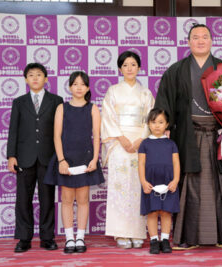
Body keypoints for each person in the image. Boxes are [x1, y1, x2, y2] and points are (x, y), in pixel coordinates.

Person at [154, 24, 222, 249]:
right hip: (188, 134)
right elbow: (164, 102)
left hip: (221, 133)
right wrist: (165, 128)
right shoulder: (176, 70)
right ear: (188, 42)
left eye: (205, 37)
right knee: (188, 182)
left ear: (212, 41)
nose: (200, 41)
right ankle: (187, 237)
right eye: (195, 37)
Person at [43, 71, 105, 253]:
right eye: (75, 84)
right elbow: (56, 136)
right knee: (67, 200)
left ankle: (80, 238)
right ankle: (69, 238)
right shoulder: (62, 108)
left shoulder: (92, 108)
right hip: (67, 159)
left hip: (86, 160)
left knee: (83, 200)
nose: (79, 87)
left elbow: (96, 137)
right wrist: (61, 160)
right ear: (70, 87)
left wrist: (94, 159)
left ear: (87, 87)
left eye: (82, 84)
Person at [7, 63, 63, 253]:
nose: (35, 78)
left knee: (47, 198)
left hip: (48, 158)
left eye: (39, 75)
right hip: (24, 157)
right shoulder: (19, 102)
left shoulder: (56, 101)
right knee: (23, 199)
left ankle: (47, 238)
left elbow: (60, 132)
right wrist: (11, 156)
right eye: (31, 75)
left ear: (46, 79)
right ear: (25, 79)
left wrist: (60, 157)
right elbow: (13, 131)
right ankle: (24, 238)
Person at [101, 51, 154, 249]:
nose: (130, 68)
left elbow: (151, 120)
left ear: (139, 68)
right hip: (119, 143)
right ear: (120, 68)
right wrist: (122, 139)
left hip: (140, 143)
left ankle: (137, 231)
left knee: (138, 187)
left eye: (133, 64)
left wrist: (141, 139)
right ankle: (120, 232)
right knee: (120, 187)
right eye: (125, 65)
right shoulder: (113, 91)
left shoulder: (146, 93)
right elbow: (108, 117)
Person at [138, 108, 180, 254]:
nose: (157, 125)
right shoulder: (144, 144)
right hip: (150, 182)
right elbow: (141, 164)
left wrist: (175, 180)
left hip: (168, 183)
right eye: (153, 122)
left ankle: (165, 240)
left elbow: (176, 164)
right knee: (152, 212)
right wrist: (143, 181)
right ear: (148, 124)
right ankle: (154, 240)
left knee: (166, 212)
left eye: (161, 122)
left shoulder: (171, 144)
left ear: (167, 124)